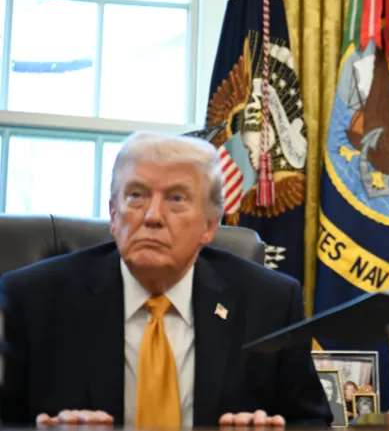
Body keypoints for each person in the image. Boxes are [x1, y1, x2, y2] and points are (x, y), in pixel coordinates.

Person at [0, 131, 333, 428]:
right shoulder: (35, 298)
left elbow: (311, 420)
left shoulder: (269, 302)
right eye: (136, 196)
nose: (152, 216)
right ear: (114, 216)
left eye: (176, 199)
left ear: (209, 225)